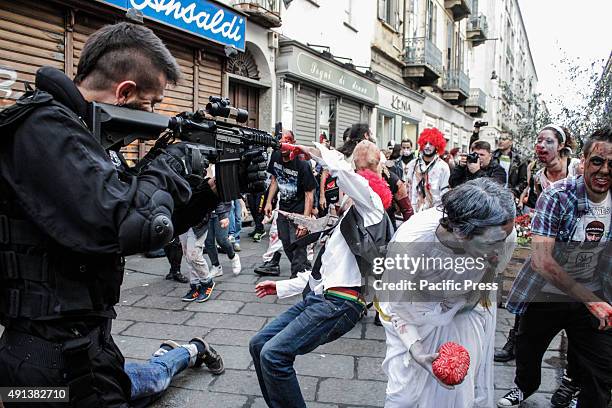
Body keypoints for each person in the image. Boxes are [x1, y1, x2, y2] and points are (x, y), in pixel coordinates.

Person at [0, 22, 232, 406]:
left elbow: (145, 229)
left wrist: (209, 194)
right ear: (124, 92)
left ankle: (184, 353)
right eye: (152, 104)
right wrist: (172, 160)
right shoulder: (43, 127)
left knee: (144, 382)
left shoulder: (84, 137)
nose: (157, 116)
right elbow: (121, 220)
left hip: (85, 351)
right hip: (45, 365)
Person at [249, 140, 393, 408]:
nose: (340, 195)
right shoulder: (344, 225)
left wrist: (314, 153)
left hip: (342, 303)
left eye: (346, 190)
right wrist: (283, 287)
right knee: (260, 345)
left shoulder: (372, 207)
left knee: (274, 355)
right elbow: (324, 275)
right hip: (322, 298)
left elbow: (349, 177)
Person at [498, 128, 612, 408]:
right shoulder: (558, 196)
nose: (605, 171)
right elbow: (541, 259)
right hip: (547, 291)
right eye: (598, 161)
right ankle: (524, 387)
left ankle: (578, 393)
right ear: (583, 160)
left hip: (594, 292)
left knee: (601, 368)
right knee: (528, 348)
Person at [378, 178, 516, 407]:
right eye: (494, 243)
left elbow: (488, 278)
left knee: (458, 394)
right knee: (404, 396)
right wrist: (418, 352)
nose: (500, 251)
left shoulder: (503, 233)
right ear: (462, 233)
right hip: (411, 314)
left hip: (463, 311)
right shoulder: (411, 242)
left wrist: (464, 302)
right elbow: (396, 307)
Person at [496, 124, 579, 363]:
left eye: (548, 141)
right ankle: (514, 343)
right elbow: (535, 208)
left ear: (561, 145)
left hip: (576, 246)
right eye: (538, 141)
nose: (541, 146)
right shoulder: (538, 176)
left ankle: (573, 367)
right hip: (547, 244)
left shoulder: (576, 169)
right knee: (527, 295)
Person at [264, 130, 317, 278]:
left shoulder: (302, 164)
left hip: (299, 212)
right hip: (283, 210)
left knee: (298, 246)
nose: (283, 144)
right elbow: (275, 180)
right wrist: (269, 202)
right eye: (280, 140)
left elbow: (309, 194)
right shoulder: (275, 156)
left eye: (287, 140)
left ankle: (297, 277)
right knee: (286, 243)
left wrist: (304, 221)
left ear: (293, 143)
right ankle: (305, 270)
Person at [405, 128, 451, 212]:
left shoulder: (443, 167)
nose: (427, 146)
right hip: (415, 211)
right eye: (425, 143)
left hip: (434, 212)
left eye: (431, 144)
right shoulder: (413, 164)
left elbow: (445, 192)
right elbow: (408, 187)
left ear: (437, 146)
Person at [492, 132, 528, 199]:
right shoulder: (492, 157)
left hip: (509, 197)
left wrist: (513, 193)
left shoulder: (519, 160)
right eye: (499, 138)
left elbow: (523, 182)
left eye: (504, 139)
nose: (500, 141)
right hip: (493, 195)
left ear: (511, 142)